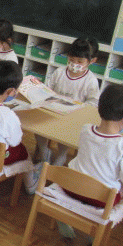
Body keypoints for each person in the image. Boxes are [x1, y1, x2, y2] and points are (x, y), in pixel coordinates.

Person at [56, 84, 123, 240]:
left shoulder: (86, 129)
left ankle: (66, 218)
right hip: (100, 199)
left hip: (70, 186)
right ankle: (94, 233)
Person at [36, 37, 101, 166]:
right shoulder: (59, 72)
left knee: (66, 134)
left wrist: (79, 107)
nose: (74, 64)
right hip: (53, 112)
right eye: (71, 59)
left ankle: (62, 154)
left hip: (73, 117)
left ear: (92, 61)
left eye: (80, 61)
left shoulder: (90, 80)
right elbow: (47, 89)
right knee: (37, 123)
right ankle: (44, 151)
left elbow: (93, 102)